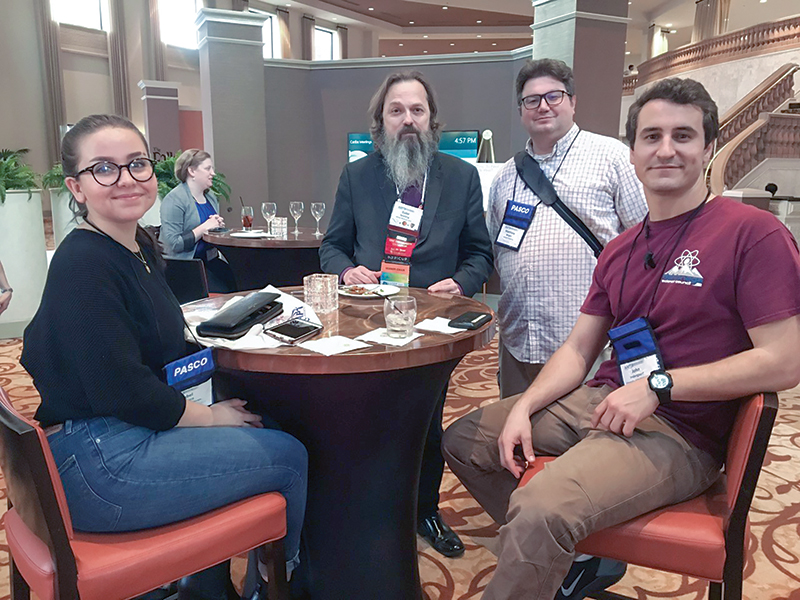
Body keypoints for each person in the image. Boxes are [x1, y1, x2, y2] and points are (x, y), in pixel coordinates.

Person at [443, 78, 800, 600]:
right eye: (651, 136)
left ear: (709, 147)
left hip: (680, 430)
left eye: (683, 135)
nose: (666, 149)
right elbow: (579, 349)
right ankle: (570, 559)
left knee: (543, 506)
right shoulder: (621, 249)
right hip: (603, 400)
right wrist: (524, 407)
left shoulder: (752, 233)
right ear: (632, 152)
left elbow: (786, 361)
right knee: (466, 440)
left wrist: (659, 384)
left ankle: (547, 544)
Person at [21, 115, 307, 600]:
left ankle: (207, 584)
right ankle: (283, 583)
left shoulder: (136, 248)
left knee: (266, 423)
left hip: (115, 433)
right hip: (100, 460)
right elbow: (125, 391)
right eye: (104, 169)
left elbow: (163, 346)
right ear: (76, 187)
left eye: (137, 164)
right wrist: (211, 419)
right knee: (289, 457)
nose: (127, 179)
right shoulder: (84, 264)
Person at [320, 71, 493, 557]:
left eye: (417, 110)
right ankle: (369, 513)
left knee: (425, 421)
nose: (408, 119)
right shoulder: (356, 176)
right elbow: (332, 246)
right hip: (365, 328)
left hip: (432, 328)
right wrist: (348, 271)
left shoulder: (461, 177)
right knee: (367, 421)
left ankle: (424, 510)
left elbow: (480, 253)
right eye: (397, 110)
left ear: (432, 120)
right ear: (381, 122)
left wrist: (460, 282)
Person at [489, 58, 647, 399]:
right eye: (532, 100)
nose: (543, 106)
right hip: (519, 341)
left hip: (588, 344)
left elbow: (647, 244)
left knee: (578, 440)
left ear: (573, 102)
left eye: (554, 96)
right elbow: (497, 249)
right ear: (521, 110)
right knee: (516, 434)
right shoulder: (505, 177)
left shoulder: (612, 158)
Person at [160, 149, 237, 293]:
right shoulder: (174, 199)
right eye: (208, 168)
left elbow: (210, 231)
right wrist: (205, 227)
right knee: (223, 291)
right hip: (185, 267)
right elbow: (174, 243)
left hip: (210, 262)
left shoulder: (211, 197)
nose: (213, 173)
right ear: (192, 171)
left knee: (238, 281)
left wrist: (217, 226)